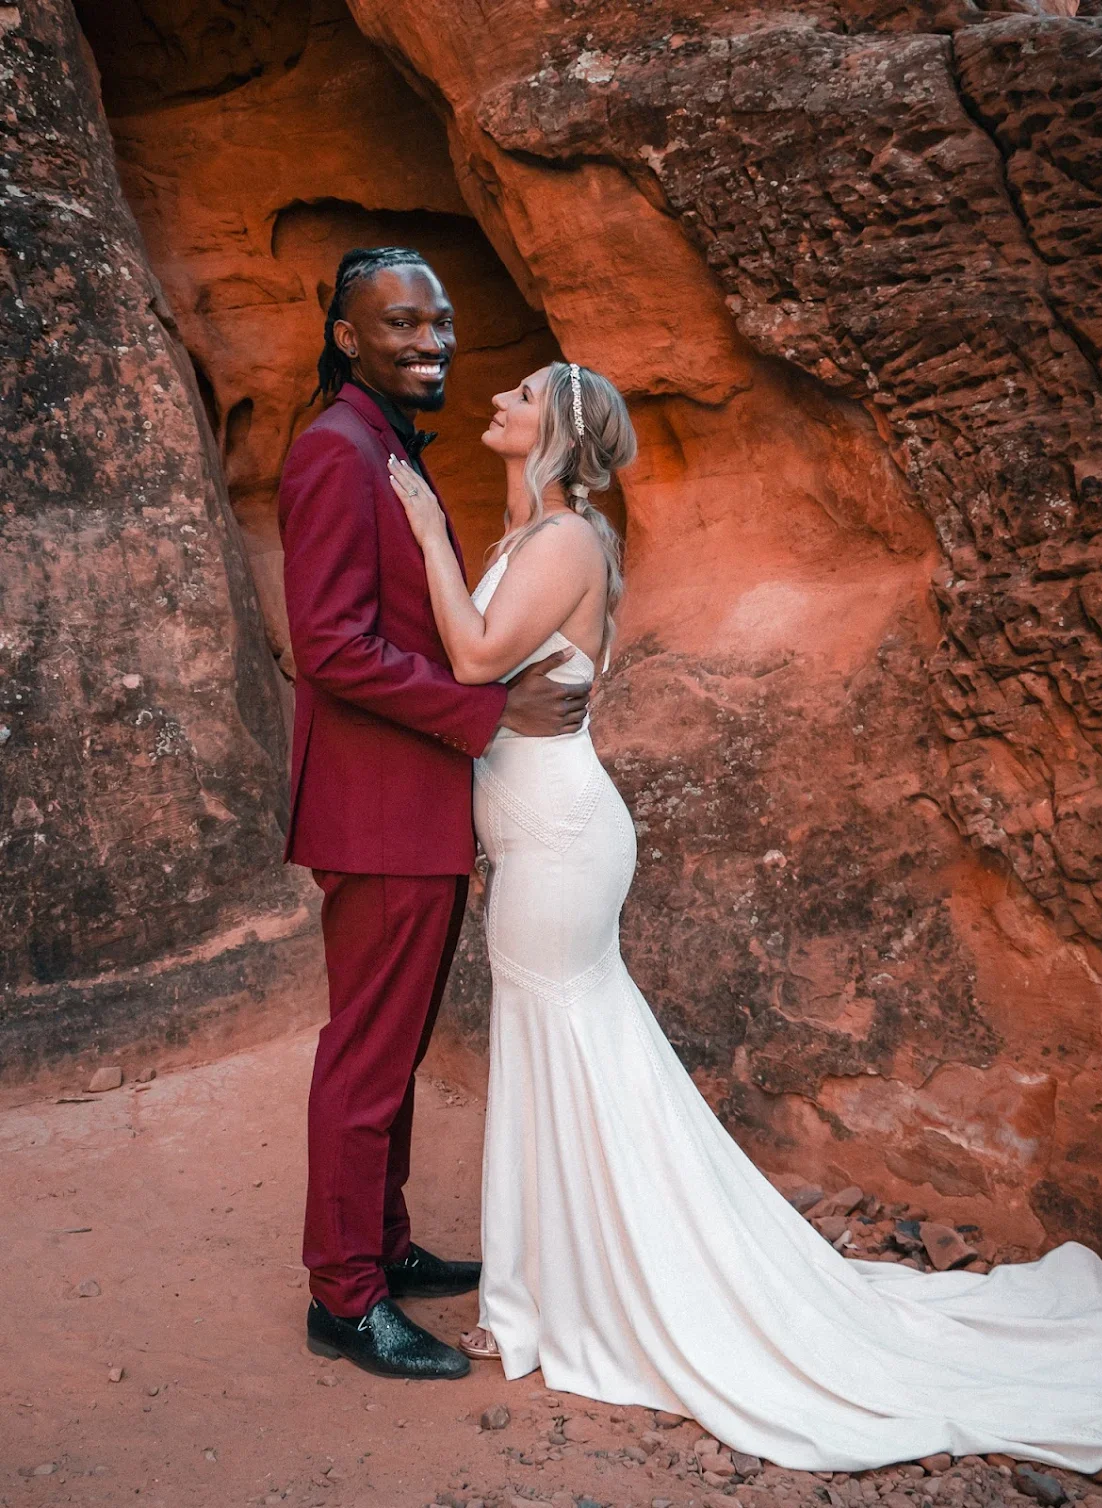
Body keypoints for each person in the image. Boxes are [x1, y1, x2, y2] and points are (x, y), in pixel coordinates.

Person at [387, 358, 1102, 1469]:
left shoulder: (562, 539)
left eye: (520, 397)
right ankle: (545, 1290)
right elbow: (487, 680)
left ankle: (556, 1298)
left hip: (562, 833)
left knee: (564, 1040)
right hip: (536, 827)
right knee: (564, 1044)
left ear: (557, 432)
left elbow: (473, 658)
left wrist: (423, 525)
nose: (497, 403)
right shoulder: (535, 536)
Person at [278, 247, 590, 1381]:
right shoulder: (334, 449)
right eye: (402, 324)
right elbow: (330, 647)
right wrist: (485, 706)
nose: (432, 342)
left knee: (393, 1051)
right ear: (349, 334)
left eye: (441, 323)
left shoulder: (378, 444)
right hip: (378, 808)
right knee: (366, 1058)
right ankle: (343, 1296)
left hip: (412, 805)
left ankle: (384, 1245)